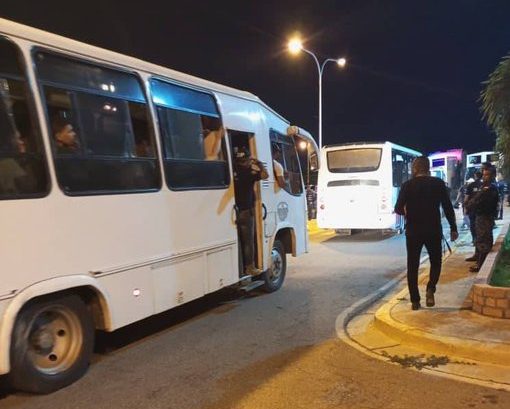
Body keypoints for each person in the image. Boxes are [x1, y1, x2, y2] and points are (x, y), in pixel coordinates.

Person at [394, 156, 458, 310]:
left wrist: (406, 210)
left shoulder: (407, 185)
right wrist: (453, 227)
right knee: (436, 262)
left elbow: (397, 208)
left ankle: (415, 301)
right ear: (428, 168)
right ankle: (430, 288)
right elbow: (448, 207)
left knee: (413, 265)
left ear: (415, 169)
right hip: (433, 230)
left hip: (413, 231)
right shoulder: (438, 184)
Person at [233, 147, 269, 276]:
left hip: (233, 211)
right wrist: (259, 164)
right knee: (248, 241)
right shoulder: (249, 173)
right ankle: (249, 267)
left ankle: (239, 266)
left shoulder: (233, 171)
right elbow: (266, 175)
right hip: (246, 211)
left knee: (238, 240)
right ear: (248, 160)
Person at [466, 168, 499, 272]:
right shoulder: (484, 187)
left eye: (487, 175)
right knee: (480, 239)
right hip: (480, 216)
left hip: (485, 217)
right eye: (484, 175)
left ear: (493, 176)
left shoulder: (490, 189)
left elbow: (475, 202)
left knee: (483, 240)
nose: (484, 177)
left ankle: (481, 265)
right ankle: (479, 261)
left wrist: (471, 203)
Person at [464, 170, 483, 260]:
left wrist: (466, 208)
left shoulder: (471, 185)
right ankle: (479, 254)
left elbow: (466, 199)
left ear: (475, 176)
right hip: (483, 213)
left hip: (473, 212)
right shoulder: (486, 186)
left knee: (475, 232)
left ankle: (477, 254)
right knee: (482, 233)